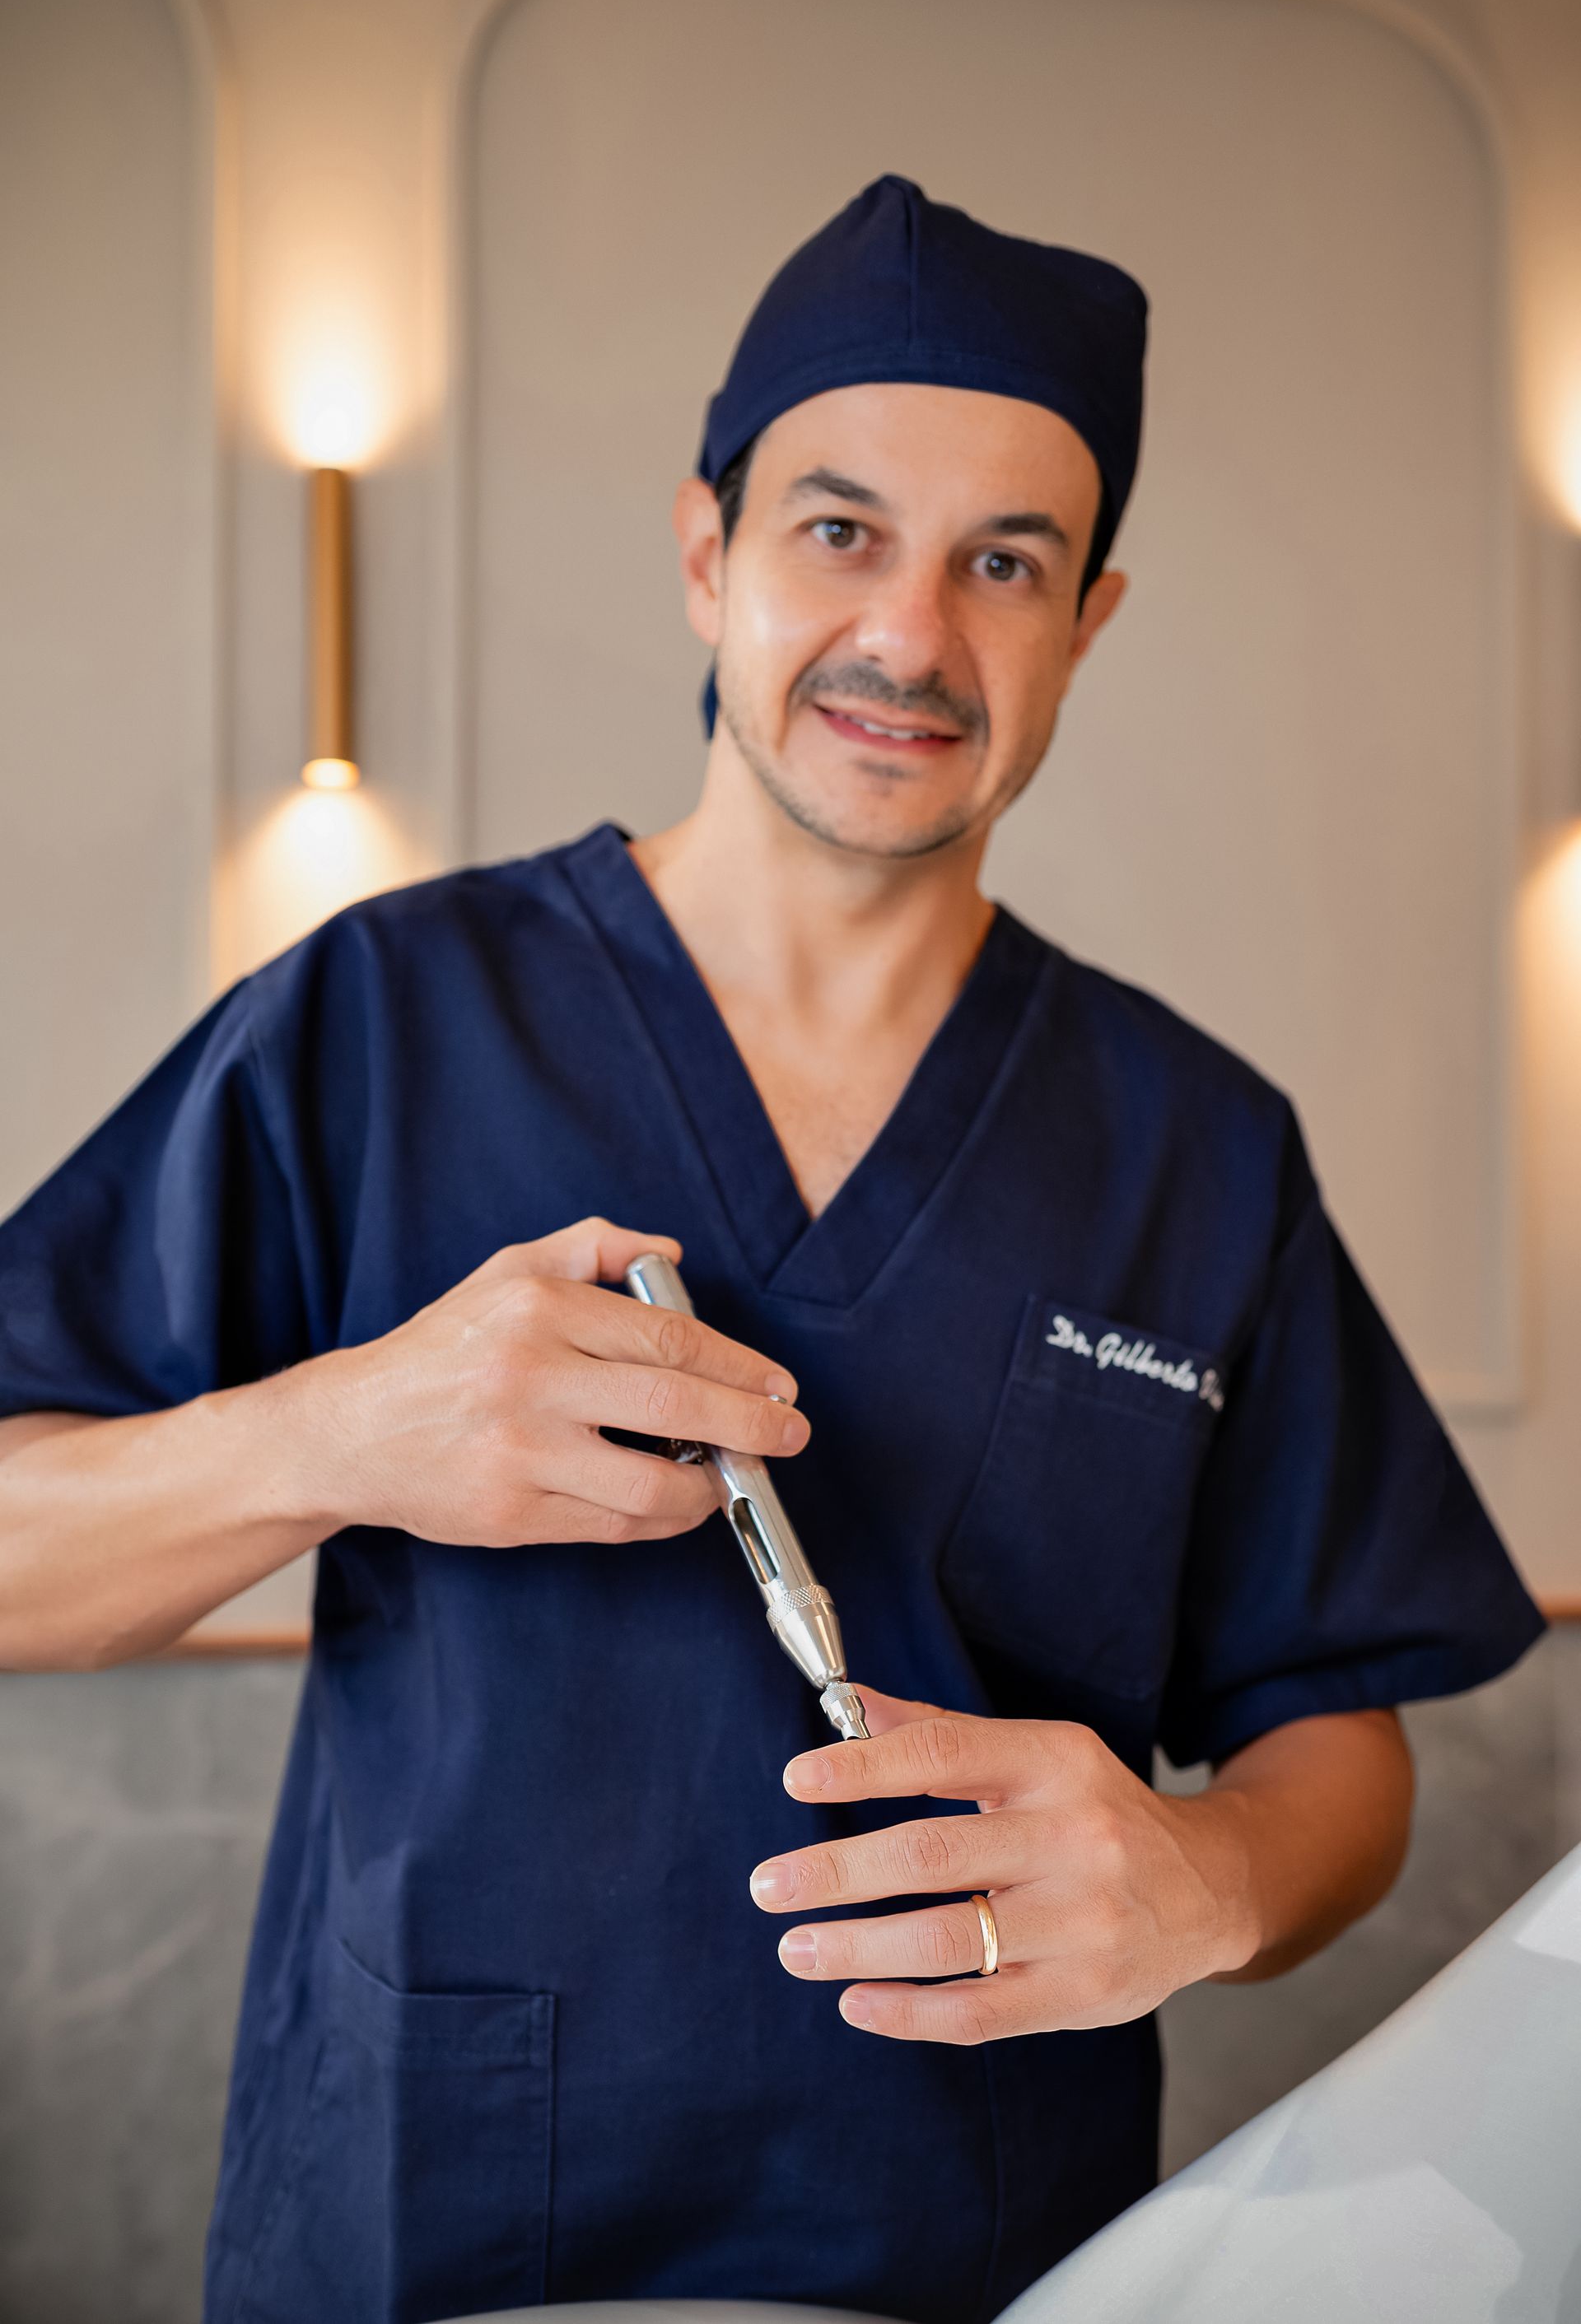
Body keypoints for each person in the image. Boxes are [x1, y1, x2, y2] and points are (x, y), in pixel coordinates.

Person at [0, 176, 1542, 2324]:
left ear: (1087, 620)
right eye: (839, 528)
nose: (912, 634)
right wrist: (344, 1428)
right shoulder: (384, 1023)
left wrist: (1206, 1874)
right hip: (423, 2241)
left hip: (989, 2261)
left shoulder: (1196, 1146)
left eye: (1004, 562)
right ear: (709, 552)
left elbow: (1339, 1748)